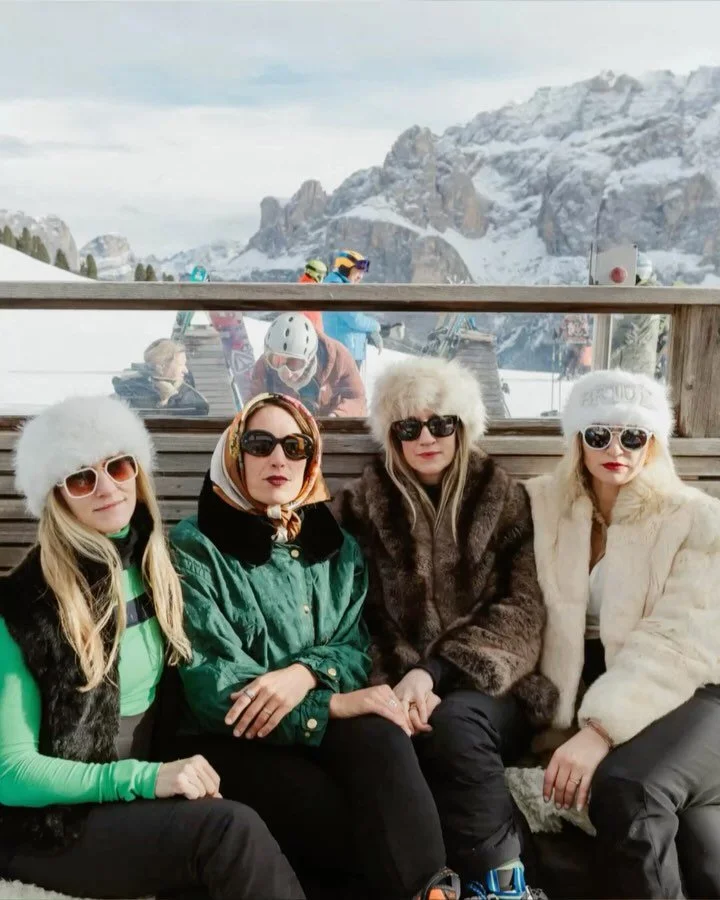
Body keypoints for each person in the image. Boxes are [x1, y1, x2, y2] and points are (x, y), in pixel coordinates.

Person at [0, 395, 303, 900]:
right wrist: (143, 779)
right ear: (58, 497)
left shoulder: (156, 565)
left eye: (118, 466)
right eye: (81, 479)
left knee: (291, 791)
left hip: (140, 780)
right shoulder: (24, 606)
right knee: (228, 831)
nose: (107, 488)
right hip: (51, 824)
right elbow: (11, 774)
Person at [169, 392, 459, 900]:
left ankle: (435, 894)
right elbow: (216, 690)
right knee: (342, 817)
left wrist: (301, 674)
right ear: (236, 454)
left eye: (295, 446)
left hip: (313, 724)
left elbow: (353, 647)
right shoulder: (196, 547)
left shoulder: (333, 545)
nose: (278, 459)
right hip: (233, 741)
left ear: (310, 458)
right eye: (260, 444)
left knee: (383, 736)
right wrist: (331, 703)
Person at [335, 357, 555, 900]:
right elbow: (356, 612)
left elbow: (522, 611)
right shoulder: (362, 506)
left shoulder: (503, 500)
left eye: (440, 424)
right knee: (391, 740)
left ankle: (504, 885)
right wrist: (398, 686)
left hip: (495, 688)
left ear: (462, 426)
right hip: (396, 686)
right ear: (391, 436)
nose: (426, 438)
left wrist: (434, 673)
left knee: (455, 724)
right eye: (408, 427)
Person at [526, 369, 720, 900]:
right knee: (704, 856)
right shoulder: (543, 506)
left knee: (628, 788)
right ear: (578, 440)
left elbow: (680, 639)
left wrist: (601, 731)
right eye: (599, 434)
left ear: (652, 441)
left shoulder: (697, 519)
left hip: (694, 688)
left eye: (633, 435)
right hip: (605, 686)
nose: (617, 449)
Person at [250, 312, 367, 417]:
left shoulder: (338, 357)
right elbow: (253, 407)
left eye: (294, 363)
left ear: (310, 358)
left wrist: (336, 417)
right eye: (277, 361)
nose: (286, 373)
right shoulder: (264, 366)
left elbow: (357, 398)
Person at [113, 337, 210, 416]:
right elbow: (146, 425)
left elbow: (200, 413)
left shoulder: (187, 390)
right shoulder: (133, 391)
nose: (186, 370)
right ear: (161, 367)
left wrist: (173, 397)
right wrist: (164, 402)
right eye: (181, 364)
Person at [322, 251, 383, 370]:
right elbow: (355, 320)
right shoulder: (336, 288)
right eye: (358, 271)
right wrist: (376, 326)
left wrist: (369, 332)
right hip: (343, 352)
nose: (361, 276)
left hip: (348, 351)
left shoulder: (341, 286)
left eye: (362, 272)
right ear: (346, 268)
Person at [297, 259, 327, 333]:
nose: (323, 279)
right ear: (318, 275)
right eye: (323, 275)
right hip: (311, 332)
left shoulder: (301, 284)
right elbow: (311, 316)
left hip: (307, 331)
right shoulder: (311, 289)